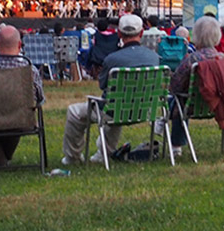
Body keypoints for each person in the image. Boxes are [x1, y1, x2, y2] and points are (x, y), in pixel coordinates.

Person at [61, 14, 159, 165]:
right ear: (141, 33)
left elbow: (103, 85)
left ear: (119, 33)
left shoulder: (112, 59)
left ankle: (72, 157)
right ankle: (104, 153)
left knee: (75, 112)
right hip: (145, 109)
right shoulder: (154, 58)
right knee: (116, 102)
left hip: (115, 109)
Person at [0, 25, 44, 167]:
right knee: (16, 110)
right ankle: (0, 161)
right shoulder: (30, 70)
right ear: (19, 45)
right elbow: (39, 97)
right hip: (21, 120)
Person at [167, 16, 224, 156]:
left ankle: (175, 144)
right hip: (220, 104)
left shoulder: (191, 60)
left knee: (175, 101)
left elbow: (175, 86)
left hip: (191, 106)